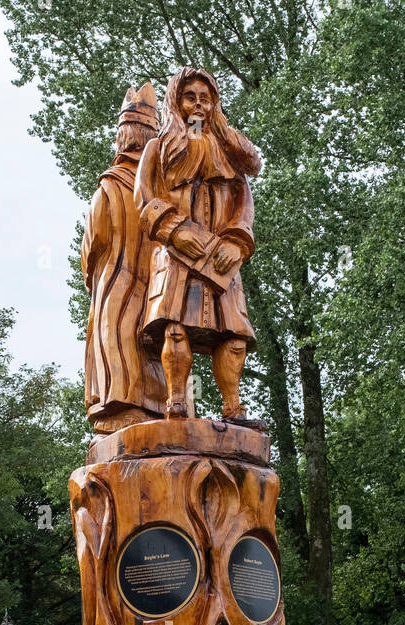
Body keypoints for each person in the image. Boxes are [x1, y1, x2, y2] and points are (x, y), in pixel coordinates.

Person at [134, 67, 261, 422]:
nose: (199, 106)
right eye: (191, 97)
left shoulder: (229, 157)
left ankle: (233, 407)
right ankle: (176, 402)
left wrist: (237, 241)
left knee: (234, 334)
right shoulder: (158, 149)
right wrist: (174, 230)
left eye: (206, 98)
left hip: (221, 257)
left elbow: (243, 204)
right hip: (175, 255)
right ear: (177, 100)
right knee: (175, 327)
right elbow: (143, 198)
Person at [81, 83, 166, 431]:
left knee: (115, 338)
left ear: (123, 137)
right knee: (157, 350)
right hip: (157, 290)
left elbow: (91, 246)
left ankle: (119, 406)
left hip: (115, 284)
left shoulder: (109, 187)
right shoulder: (164, 193)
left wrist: (95, 276)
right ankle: (156, 409)